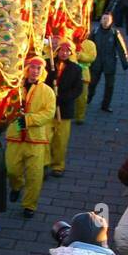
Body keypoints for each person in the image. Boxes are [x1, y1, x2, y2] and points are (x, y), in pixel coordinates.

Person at [5, 56, 55, 218]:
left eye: (38, 68)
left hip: (36, 139)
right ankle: (16, 185)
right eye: (32, 68)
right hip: (15, 136)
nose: (34, 71)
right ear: (26, 69)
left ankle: (30, 205)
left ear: (42, 71)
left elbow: (49, 113)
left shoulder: (47, 92)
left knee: (34, 174)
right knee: (12, 169)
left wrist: (28, 120)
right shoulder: (15, 88)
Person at [45, 40, 83, 178]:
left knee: (61, 140)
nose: (64, 53)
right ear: (57, 51)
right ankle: (44, 163)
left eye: (67, 51)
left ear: (71, 53)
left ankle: (58, 165)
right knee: (46, 138)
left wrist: (64, 98)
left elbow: (78, 89)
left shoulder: (76, 69)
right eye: (62, 50)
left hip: (64, 110)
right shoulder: (49, 64)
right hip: (47, 108)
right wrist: (50, 77)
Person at [88, 12, 128, 113]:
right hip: (96, 62)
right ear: (101, 20)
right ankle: (87, 99)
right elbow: (87, 45)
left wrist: (125, 62)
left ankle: (106, 105)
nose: (105, 21)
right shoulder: (95, 32)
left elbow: (121, 48)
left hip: (109, 63)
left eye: (108, 19)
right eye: (104, 19)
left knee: (109, 85)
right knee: (92, 83)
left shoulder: (115, 33)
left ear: (111, 21)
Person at [72, 28, 97, 125]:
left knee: (82, 97)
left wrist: (80, 56)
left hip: (83, 74)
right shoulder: (70, 42)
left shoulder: (90, 44)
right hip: (71, 73)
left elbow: (92, 57)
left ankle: (80, 116)